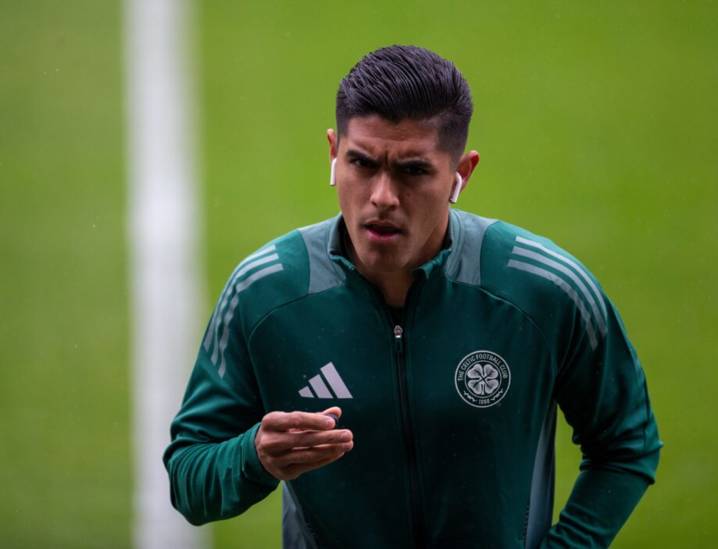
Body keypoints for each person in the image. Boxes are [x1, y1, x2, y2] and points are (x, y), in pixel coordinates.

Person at [164, 45, 661, 548]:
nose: (382, 196)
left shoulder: (541, 289)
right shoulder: (265, 293)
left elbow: (627, 442)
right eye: (361, 163)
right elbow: (188, 479)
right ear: (333, 154)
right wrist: (253, 457)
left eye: (413, 171)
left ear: (461, 173)